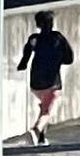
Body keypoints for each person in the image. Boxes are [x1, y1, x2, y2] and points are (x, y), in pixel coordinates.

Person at [17, 10, 74, 145]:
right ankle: (36, 130)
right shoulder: (58, 38)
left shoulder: (34, 39)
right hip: (52, 82)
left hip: (36, 82)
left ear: (38, 25)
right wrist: (57, 60)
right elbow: (69, 58)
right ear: (51, 24)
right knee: (48, 111)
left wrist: (23, 64)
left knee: (45, 106)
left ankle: (42, 138)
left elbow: (24, 59)